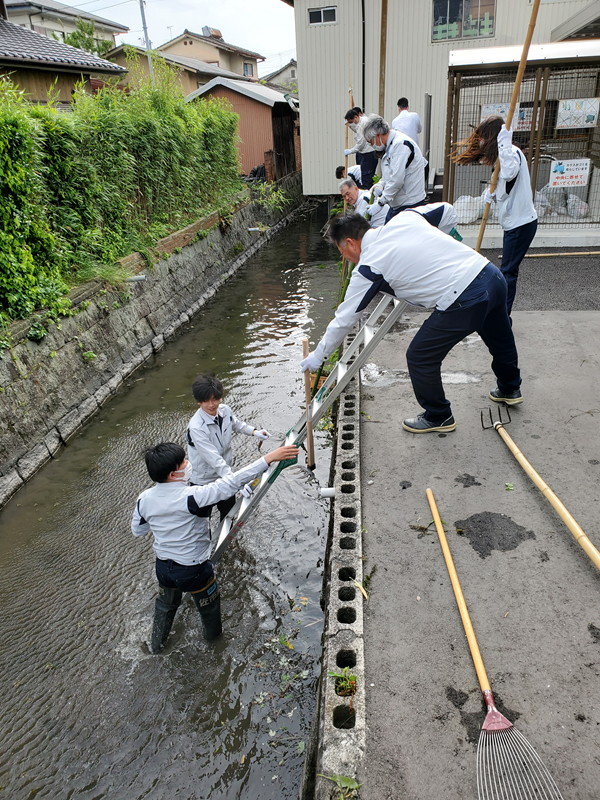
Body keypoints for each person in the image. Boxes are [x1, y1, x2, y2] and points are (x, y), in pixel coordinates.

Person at [300, 210, 522, 433]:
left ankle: (439, 416)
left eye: (342, 252)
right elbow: (447, 211)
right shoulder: (405, 218)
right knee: (500, 338)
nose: (345, 258)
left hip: (465, 297)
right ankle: (510, 389)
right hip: (490, 274)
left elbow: (345, 318)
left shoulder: (368, 266)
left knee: (420, 356)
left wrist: (319, 356)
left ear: (350, 243)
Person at [132, 441, 299, 652]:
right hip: (194, 570)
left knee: (165, 605)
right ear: (173, 475)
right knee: (209, 607)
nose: (187, 463)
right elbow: (231, 482)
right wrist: (269, 457)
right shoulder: (193, 497)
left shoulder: (143, 499)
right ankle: (215, 646)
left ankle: (156, 646)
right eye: (183, 462)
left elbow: (138, 530)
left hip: (164, 568)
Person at [451, 115, 537, 317]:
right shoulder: (504, 157)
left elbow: (509, 173)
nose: (480, 143)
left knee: (508, 272)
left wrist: (505, 144)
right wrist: (492, 194)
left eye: (483, 138)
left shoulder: (511, 153)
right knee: (508, 271)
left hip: (521, 224)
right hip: (515, 223)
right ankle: (500, 314)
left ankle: (502, 318)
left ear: (493, 138)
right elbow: (506, 186)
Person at [186, 374, 270, 524]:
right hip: (203, 481)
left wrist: (254, 431)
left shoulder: (225, 410)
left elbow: (236, 424)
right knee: (201, 523)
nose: (212, 404)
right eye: (206, 400)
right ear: (198, 401)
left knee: (228, 515)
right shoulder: (196, 427)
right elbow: (214, 460)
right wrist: (236, 482)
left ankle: (227, 543)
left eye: (215, 399)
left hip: (224, 475)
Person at [362, 115, 427, 223]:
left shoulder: (400, 145)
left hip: (410, 205)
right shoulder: (389, 146)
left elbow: (397, 180)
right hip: (398, 205)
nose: (372, 145)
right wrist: (381, 184)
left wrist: (380, 203)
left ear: (378, 135)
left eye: (371, 142)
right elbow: (390, 174)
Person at [343, 108, 378, 190]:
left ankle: (367, 199)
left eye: (351, 121)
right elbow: (356, 129)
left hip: (368, 154)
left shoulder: (362, 125)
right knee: (368, 178)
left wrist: (351, 151)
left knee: (366, 180)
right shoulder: (363, 121)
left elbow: (360, 144)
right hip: (371, 153)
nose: (352, 123)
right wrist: (349, 125)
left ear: (356, 117)